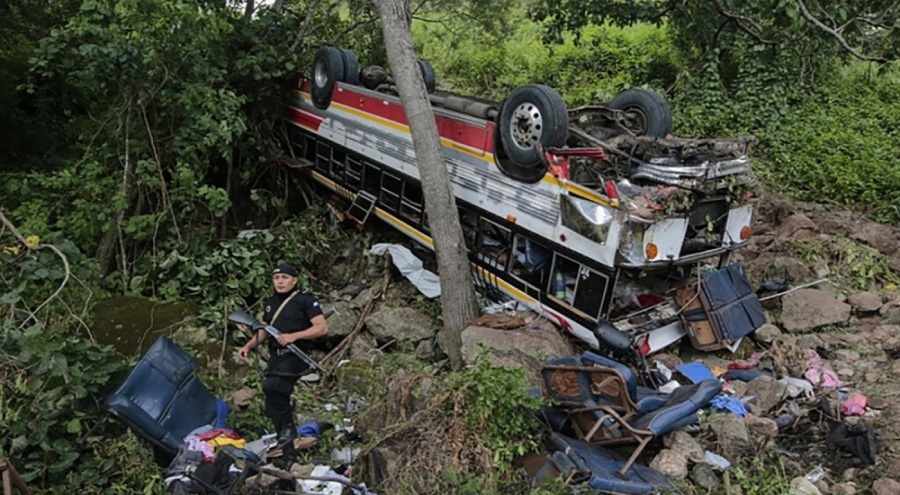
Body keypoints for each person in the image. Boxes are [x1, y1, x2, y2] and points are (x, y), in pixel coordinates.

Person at [238, 263, 329, 469]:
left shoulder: (305, 299)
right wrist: (248, 345)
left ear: (294, 280)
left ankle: (289, 435)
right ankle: (289, 452)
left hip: (296, 355)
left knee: (274, 387)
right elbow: (265, 331)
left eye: (285, 277)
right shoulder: (272, 303)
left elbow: (322, 328)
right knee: (271, 405)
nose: (280, 281)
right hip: (276, 356)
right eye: (276, 278)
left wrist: (293, 336)